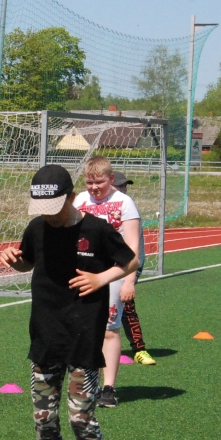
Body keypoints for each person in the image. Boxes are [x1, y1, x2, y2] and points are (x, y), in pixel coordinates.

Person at [1, 165, 138, 440]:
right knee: (44, 420)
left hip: (82, 337)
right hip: (45, 337)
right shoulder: (37, 228)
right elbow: (30, 260)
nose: (48, 214)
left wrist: (101, 277)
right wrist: (17, 262)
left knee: (81, 420)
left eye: (55, 206)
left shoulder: (95, 229)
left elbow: (132, 260)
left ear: (69, 195)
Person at [73, 157, 141, 407]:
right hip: (83, 273)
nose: (94, 188)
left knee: (109, 329)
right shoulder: (80, 200)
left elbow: (132, 247)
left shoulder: (124, 203)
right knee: (82, 328)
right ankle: (87, 381)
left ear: (111, 179)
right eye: (89, 182)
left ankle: (109, 387)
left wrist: (129, 281)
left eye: (99, 182)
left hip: (113, 273)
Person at [112, 172, 156, 366]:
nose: (123, 190)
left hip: (124, 269)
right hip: (98, 270)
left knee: (127, 309)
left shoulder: (130, 211)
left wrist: (134, 273)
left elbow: (138, 247)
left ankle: (139, 349)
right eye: (119, 187)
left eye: (125, 187)